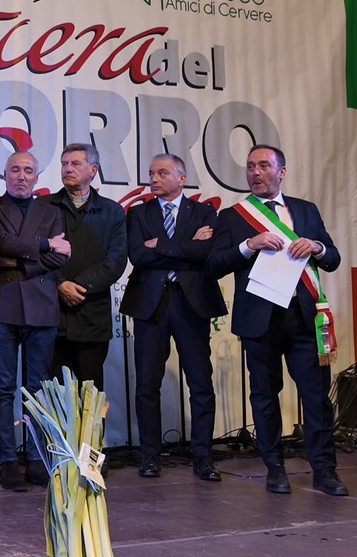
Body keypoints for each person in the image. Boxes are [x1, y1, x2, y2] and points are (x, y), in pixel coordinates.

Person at [207, 144, 347, 496]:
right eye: (250, 166)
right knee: (265, 397)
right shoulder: (233, 216)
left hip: (303, 318)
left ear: (281, 171)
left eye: (264, 166)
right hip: (260, 321)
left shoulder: (305, 209)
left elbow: (332, 257)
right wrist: (249, 245)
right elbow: (214, 264)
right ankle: (274, 468)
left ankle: (325, 471)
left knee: (316, 398)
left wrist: (316, 247)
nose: (255, 172)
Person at [120, 154, 227, 482]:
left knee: (200, 382)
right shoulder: (139, 213)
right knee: (147, 384)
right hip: (150, 304)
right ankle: (150, 455)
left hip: (191, 303)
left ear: (181, 178)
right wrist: (185, 247)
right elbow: (139, 255)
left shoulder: (204, 212)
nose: (154, 178)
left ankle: (203, 456)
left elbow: (206, 253)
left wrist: (162, 245)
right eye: (151, 173)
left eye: (162, 173)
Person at [0, 151, 70, 491]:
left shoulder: (51, 212)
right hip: (2, 306)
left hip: (41, 309)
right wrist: (42, 247)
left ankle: (36, 459)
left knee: (37, 389)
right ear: (4, 175)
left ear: (37, 177)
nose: (21, 176)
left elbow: (59, 259)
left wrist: (16, 261)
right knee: (4, 386)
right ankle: (8, 461)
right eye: (15, 170)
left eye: (28, 170)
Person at [47, 143, 127, 390]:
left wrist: (76, 286)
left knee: (91, 397)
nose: (67, 169)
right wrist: (59, 284)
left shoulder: (111, 211)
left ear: (93, 170)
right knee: (52, 398)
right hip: (51, 318)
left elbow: (115, 262)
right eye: (64, 164)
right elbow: (36, 256)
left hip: (91, 319)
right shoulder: (44, 207)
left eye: (75, 163)